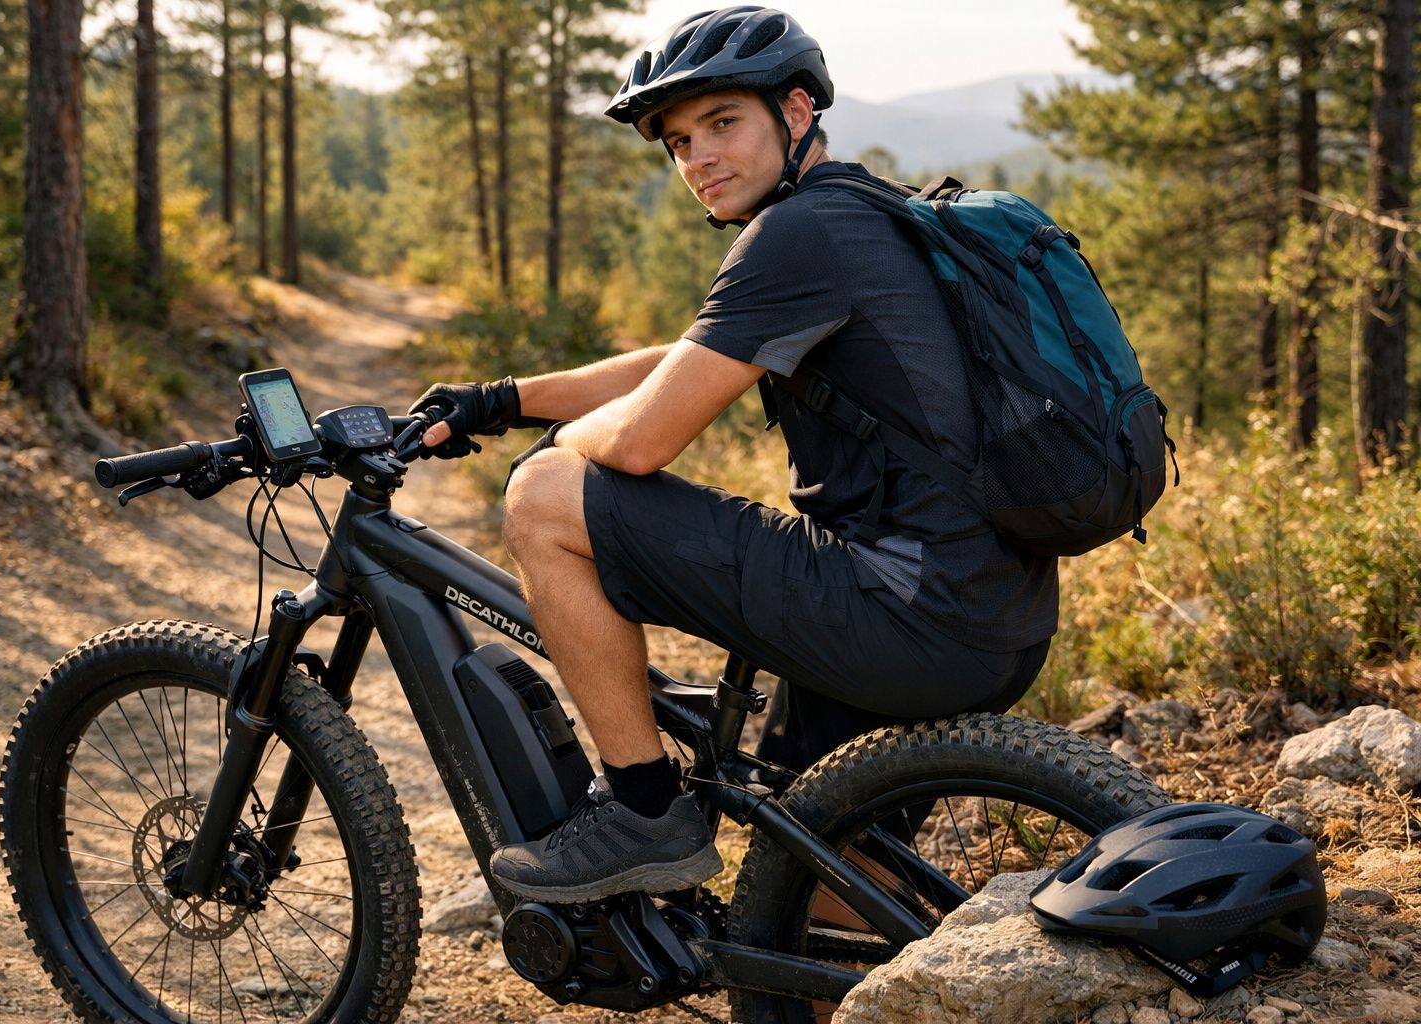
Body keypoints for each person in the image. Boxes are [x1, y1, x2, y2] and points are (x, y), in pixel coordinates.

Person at [408, 5, 1058, 904]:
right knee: (818, 899)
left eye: (722, 124)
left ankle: (642, 810)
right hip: (990, 617)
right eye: (677, 142)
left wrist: (558, 445)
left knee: (547, 495)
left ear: (795, 115)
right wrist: (506, 398)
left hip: (902, 612)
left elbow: (638, 441)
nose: (697, 159)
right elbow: (684, 361)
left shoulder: (797, 233)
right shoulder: (871, 210)